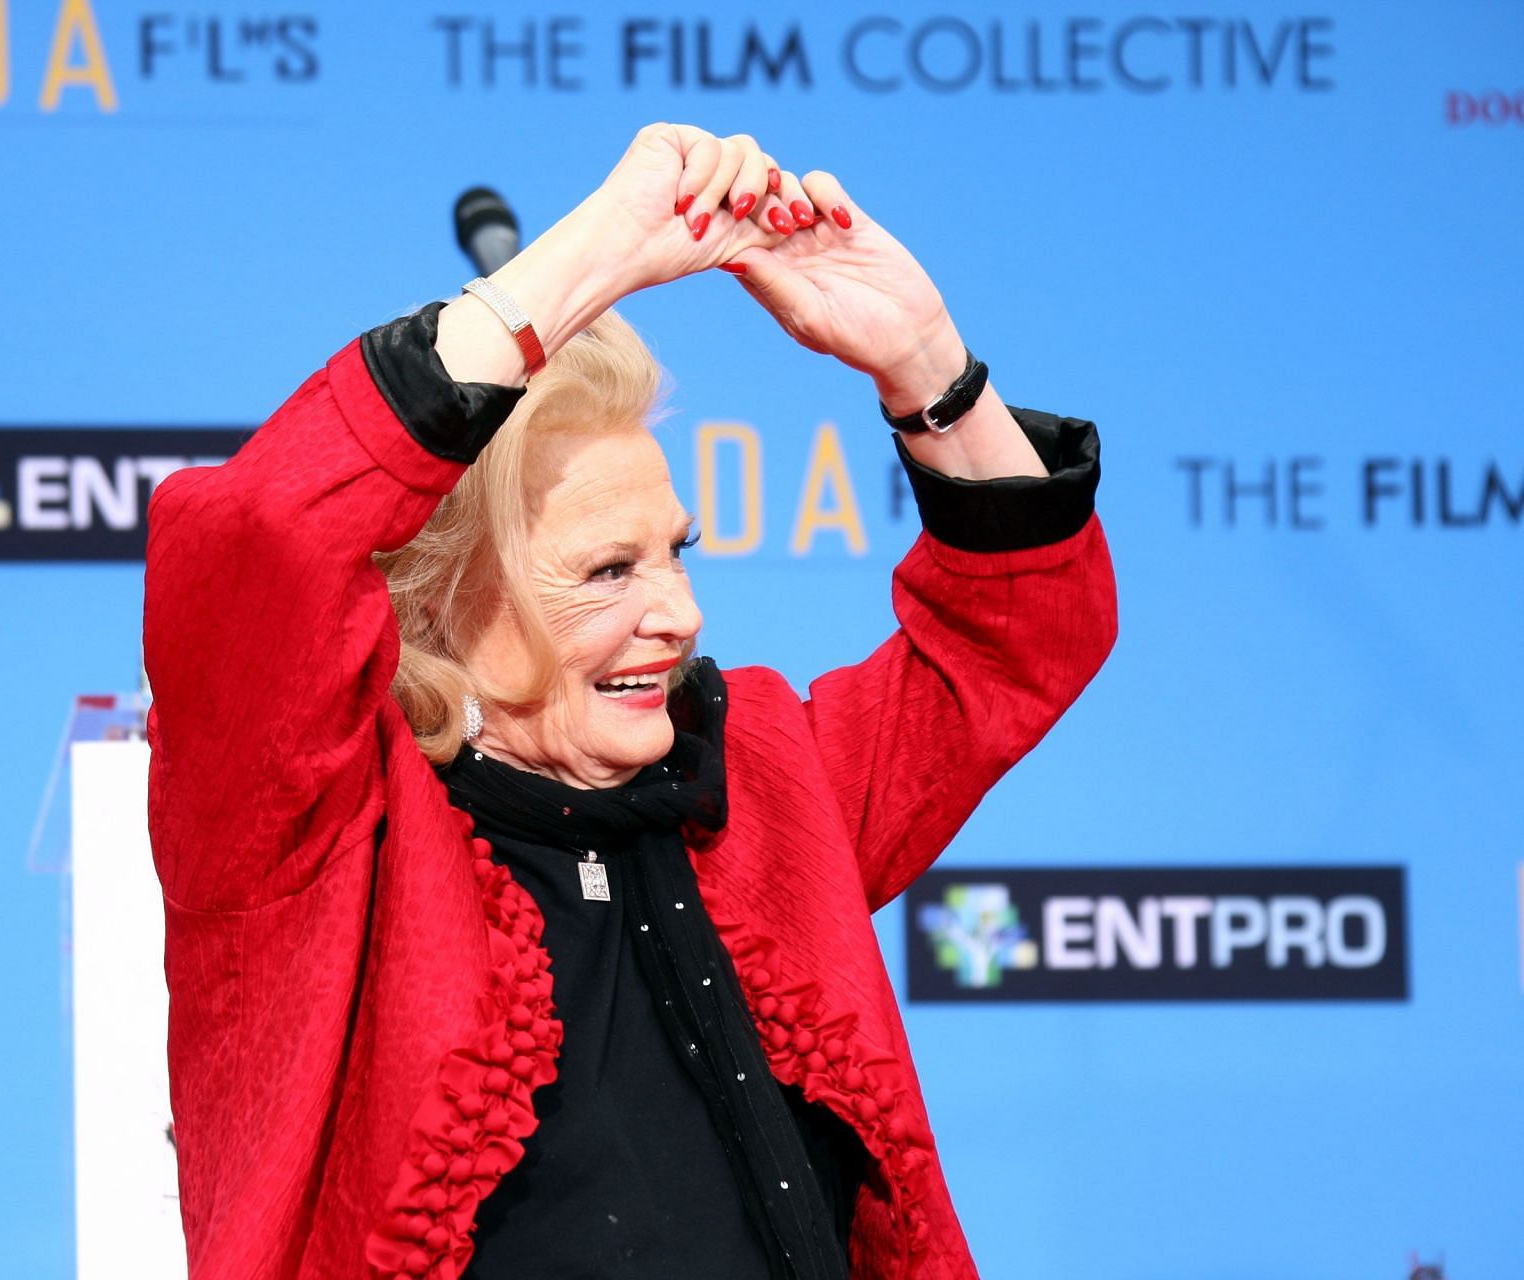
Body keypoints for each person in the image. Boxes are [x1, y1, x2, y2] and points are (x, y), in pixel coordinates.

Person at [142, 123, 1117, 1280]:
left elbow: (1014, 639)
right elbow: (258, 541)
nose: (681, 613)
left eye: (678, 555)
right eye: (611, 571)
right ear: (447, 603)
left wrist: (927, 365)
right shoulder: (316, 840)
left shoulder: (762, 780)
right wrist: (593, 256)